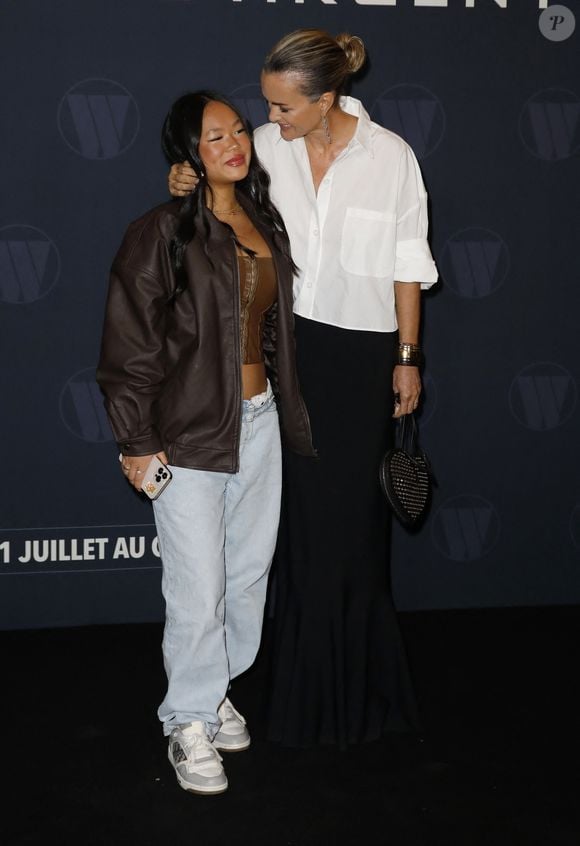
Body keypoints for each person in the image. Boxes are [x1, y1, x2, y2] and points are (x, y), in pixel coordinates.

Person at [169, 29, 438, 748]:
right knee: (295, 529)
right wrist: (185, 179)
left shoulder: (392, 158)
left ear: (325, 101)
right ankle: (293, 685)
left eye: (284, 108)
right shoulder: (265, 145)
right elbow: (214, 185)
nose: (270, 120)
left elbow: (407, 264)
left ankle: (359, 687)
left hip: (362, 359)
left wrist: (407, 357)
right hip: (285, 352)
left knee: (354, 526)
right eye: (268, 107)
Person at [97, 90, 314, 794]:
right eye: (213, 135)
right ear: (188, 154)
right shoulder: (161, 231)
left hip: (257, 423)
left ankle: (215, 689)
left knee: (248, 578)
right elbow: (130, 343)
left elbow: (270, 330)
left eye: (237, 130)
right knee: (199, 586)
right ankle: (186, 720)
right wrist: (137, 439)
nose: (233, 142)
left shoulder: (261, 219)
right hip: (187, 435)